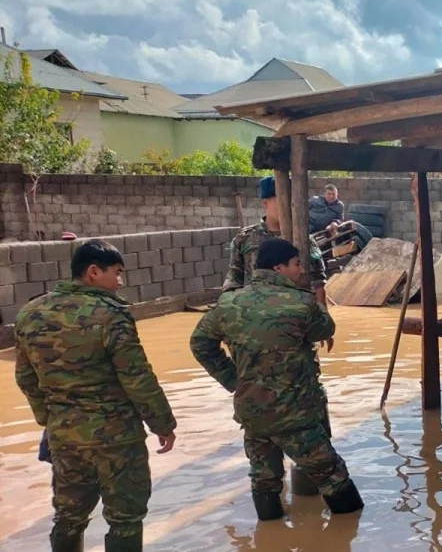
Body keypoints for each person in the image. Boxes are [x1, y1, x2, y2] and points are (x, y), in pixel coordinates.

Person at [14, 240, 177, 552]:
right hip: (117, 438)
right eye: (116, 273)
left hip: (64, 435)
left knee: (68, 515)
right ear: (92, 272)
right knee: (125, 518)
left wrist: (49, 419)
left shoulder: (30, 313)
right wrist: (162, 424)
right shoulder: (111, 314)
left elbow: (25, 378)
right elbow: (137, 377)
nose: (120, 282)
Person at [191, 238, 363, 521]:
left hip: (253, 412)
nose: (300, 271)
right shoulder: (301, 303)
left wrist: (235, 380)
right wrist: (316, 300)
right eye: (296, 265)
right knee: (332, 475)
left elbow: (200, 344)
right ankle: (349, 533)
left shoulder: (228, 304)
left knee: (264, 479)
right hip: (295, 413)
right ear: (279, 267)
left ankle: (269, 535)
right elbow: (325, 329)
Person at [225, 175, 329, 308]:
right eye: (281, 201)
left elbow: (319, 282)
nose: (287, 206)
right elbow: (234, 279)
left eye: (290, 201)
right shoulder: (245, 238)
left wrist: (321, 316)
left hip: (294, 311)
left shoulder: (304, 239)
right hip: (257, 310)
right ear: (265, 203)